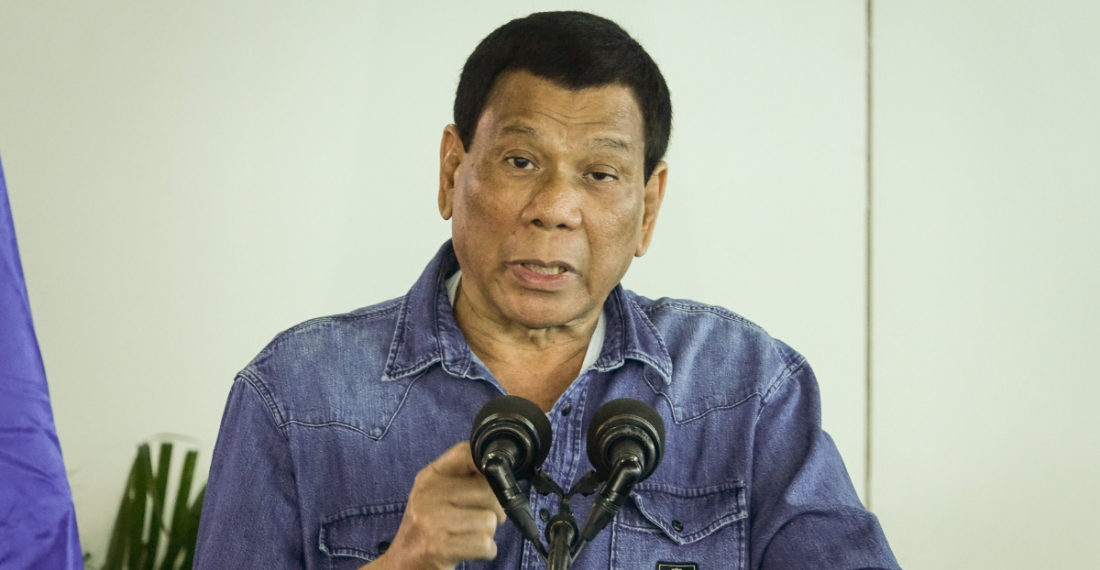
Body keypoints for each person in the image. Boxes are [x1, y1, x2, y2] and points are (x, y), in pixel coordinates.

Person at [194, 11, 898, 570]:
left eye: (600, 175)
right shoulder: (294, 396)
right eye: (521, 161)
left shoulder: (746, 390)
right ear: (452, 171)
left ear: (648, 208)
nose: (555, 208)